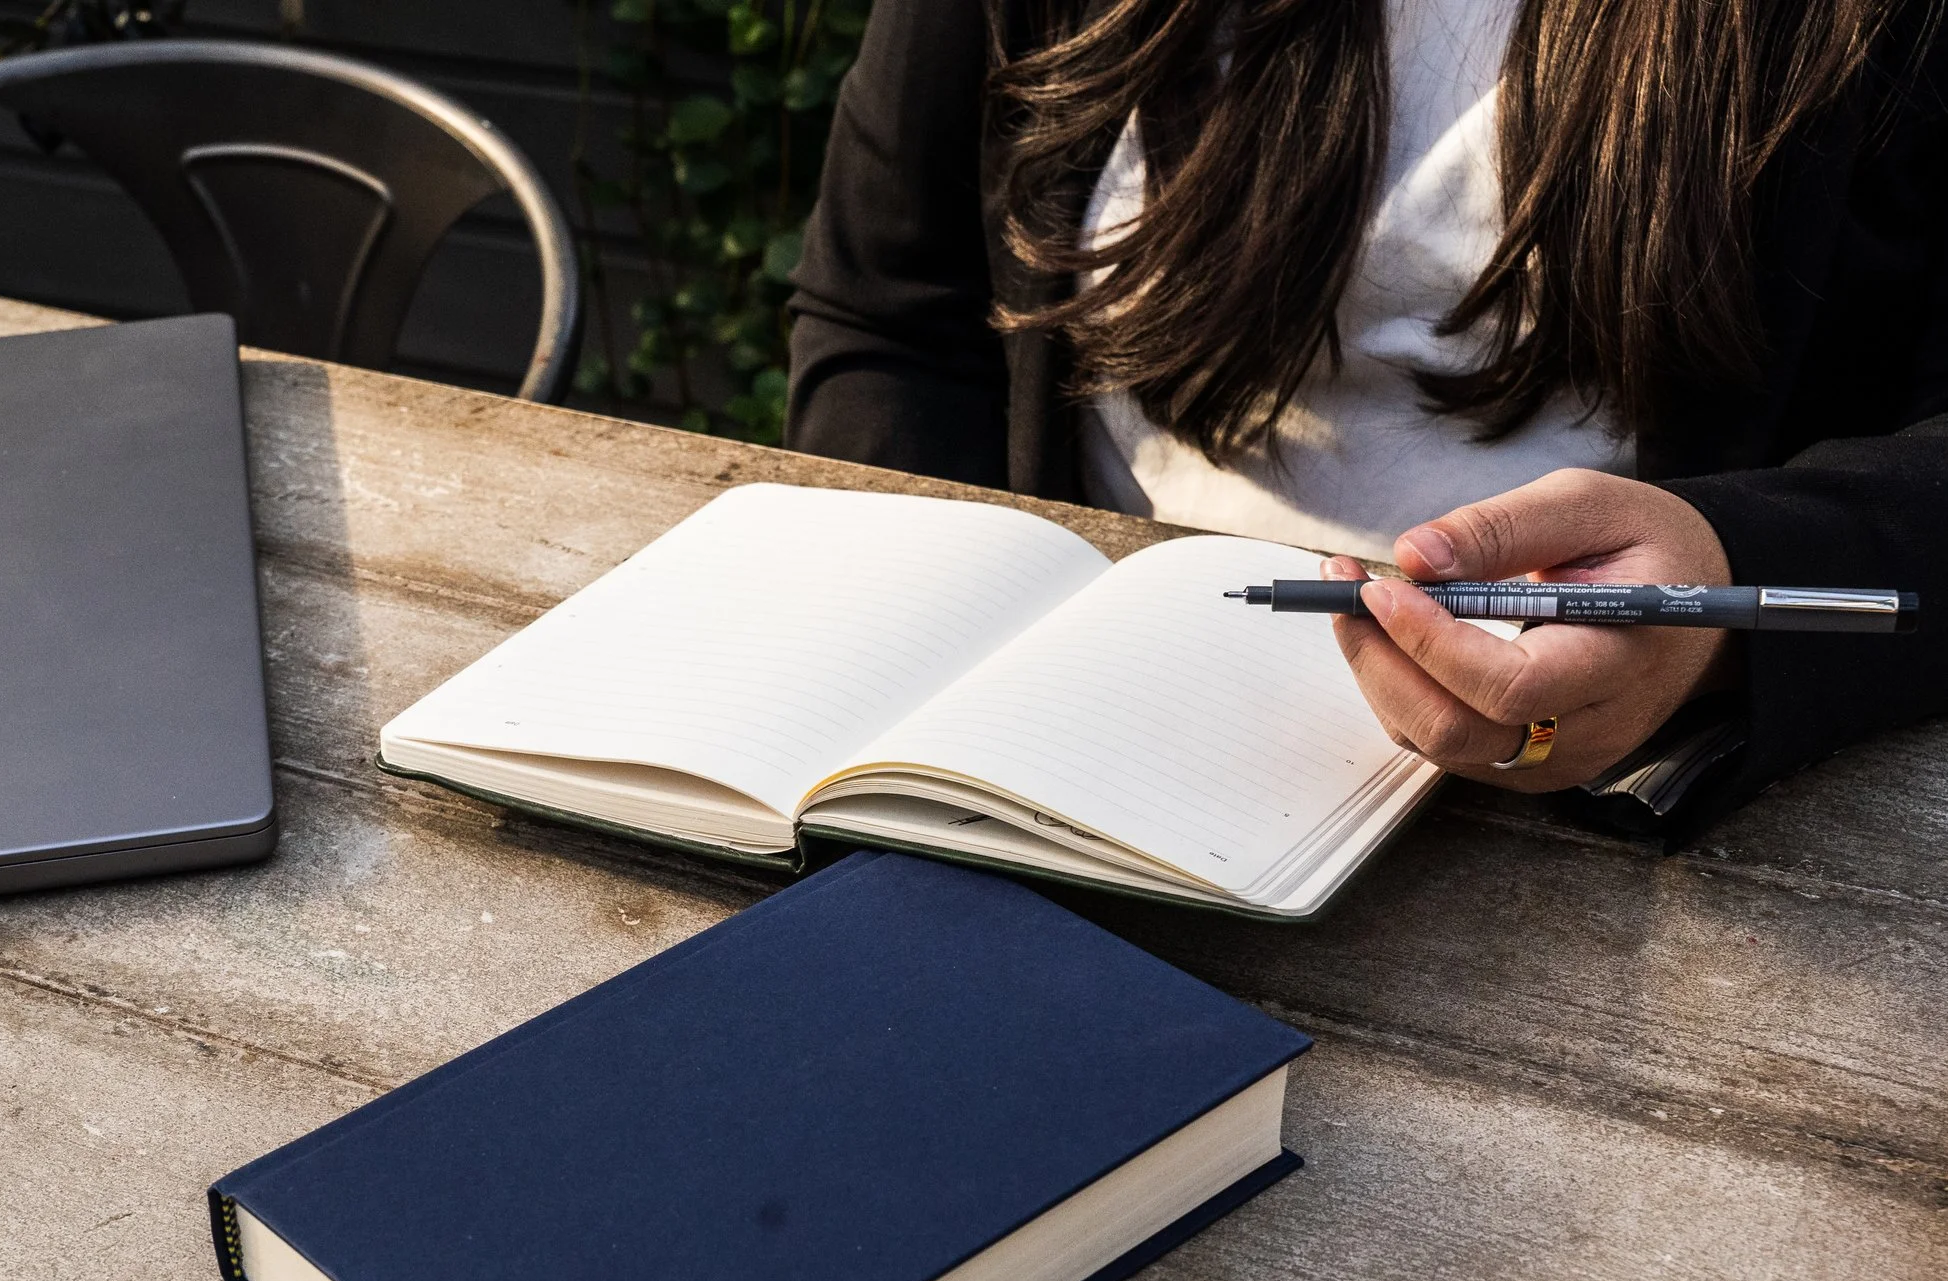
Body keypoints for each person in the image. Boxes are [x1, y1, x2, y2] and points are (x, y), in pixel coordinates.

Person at [785, 0, 1948, 837]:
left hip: (1628, 832)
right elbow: (891, 316)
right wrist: (927, 651)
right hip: (1054, 750)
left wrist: (1726, 606)